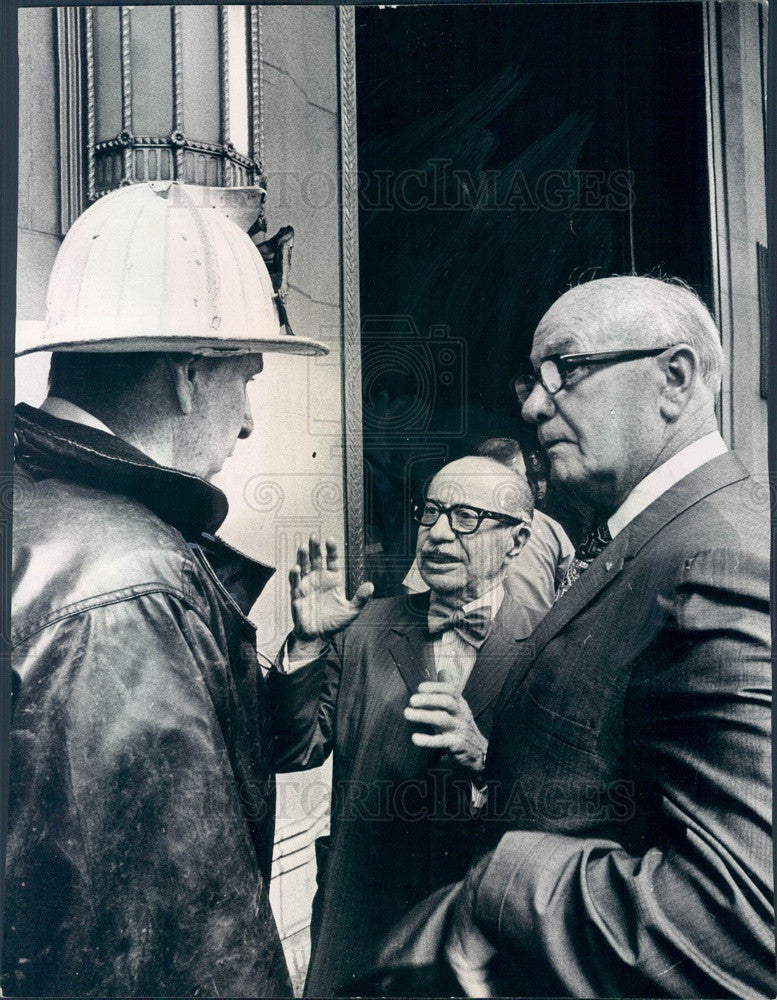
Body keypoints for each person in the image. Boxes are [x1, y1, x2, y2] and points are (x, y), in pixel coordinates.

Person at [378, 275, 774, 999]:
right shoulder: (664, 536)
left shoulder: (722, 557)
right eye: (532, 380)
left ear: (673, 378)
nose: (533, 405)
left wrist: (496, 887)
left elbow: (746, 921)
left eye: (567, 369)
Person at [4, 181, 329, 997]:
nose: (249, 420)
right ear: (190, 373)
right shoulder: (128, 584)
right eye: (245, 377)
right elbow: (187, 946)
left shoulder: (35, 504)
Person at [267, 454, 537, 994]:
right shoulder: (365, 627)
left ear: (517, 539)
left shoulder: (549, 644)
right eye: (430, 512)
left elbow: (561, 818)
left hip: (478, 949)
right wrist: (307, 645)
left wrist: (484, 758)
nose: (437, 534)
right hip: (359, 931)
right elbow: (291, 748)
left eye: (465, 517)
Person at [403, 437, 573, 614]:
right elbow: (415, 593)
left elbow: (574, 585)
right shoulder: (442, 539)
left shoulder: (550, 529)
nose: (532, 485)